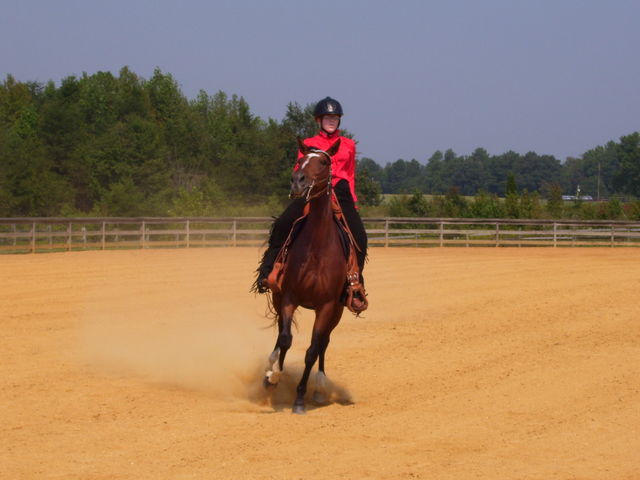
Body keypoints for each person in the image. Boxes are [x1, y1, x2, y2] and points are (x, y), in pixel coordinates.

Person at [253, 96, 368, 302]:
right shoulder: (309, 144)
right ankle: (267, 271)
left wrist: (353, 201)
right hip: (312, 189)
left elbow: (350, 175)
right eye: (327, 118)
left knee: (360, 236)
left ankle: (354, 285)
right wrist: (298, 189)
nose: (331, 121)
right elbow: (299, 169)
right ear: (319, 120)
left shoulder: (348, 145)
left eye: (335, 117)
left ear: (339, 120)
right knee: (282, 223)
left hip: (339, 191)